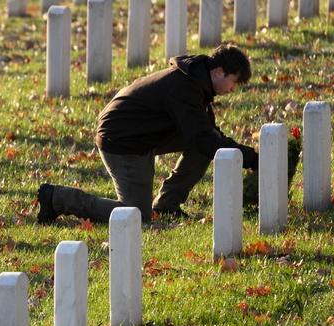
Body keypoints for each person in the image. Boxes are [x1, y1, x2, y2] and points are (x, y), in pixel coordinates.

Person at [37, 43, 259, 224]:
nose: (233, 89)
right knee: (136, 215)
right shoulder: (185, 87)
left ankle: (167, 205)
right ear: (219, 72)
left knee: (207, 142)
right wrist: (250, 159)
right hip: (123, 140)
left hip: (142, 134)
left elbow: (207, 135)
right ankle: (57, 198)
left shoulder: (196, 82)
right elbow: (203, 138)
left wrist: (250, 156)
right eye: (234, 82)